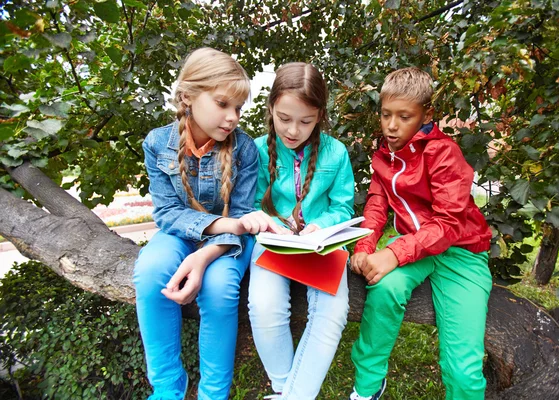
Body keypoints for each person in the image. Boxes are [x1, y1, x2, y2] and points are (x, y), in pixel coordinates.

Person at [133, 47, 284, 400]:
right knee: (151, 271)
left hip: (229, 242)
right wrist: (223, 227)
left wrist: (202, 258)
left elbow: (243, 214)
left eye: (238, 109)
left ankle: (213, 393)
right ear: (187, 96)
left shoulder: (245, 149)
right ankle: (167, 389)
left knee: (218, 289)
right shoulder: (157, 143)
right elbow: (168, 212)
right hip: (182, 232)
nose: (232, 117)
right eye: (222, 104)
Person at [348, 67, 493, 400]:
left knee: (463, 368)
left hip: (461, 256)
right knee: (384, 288)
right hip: (416, 250)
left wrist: (393, 253)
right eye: (385, 115)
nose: (392, 126)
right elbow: (376, 205)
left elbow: (447, 225)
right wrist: (365, 247)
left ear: (427, 114)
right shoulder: (384, 157)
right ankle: (368, 386)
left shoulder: (443, 154)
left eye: (404, 116)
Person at [248, 62, 355, 400]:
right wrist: (275, 225)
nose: (293, 130)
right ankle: (286, 390)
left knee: (332, 312)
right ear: (271, 108)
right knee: (264, 307)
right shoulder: (254, 149)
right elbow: (248, 203)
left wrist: (319, 226)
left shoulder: (336, 152)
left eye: (306, 121)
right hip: (271, 241)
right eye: (284, 119)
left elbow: (343, 207)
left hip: (321, 246)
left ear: (320, 115)